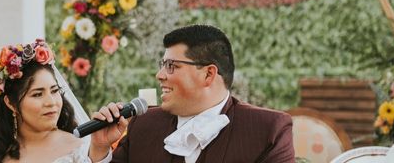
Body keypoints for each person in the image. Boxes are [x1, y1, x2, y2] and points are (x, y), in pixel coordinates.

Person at [88, 25, 294, 163]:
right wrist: (99, 149)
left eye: (171, 66)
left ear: (208, 74)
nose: (159, 75)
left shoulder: (268, 130)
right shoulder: (143, 125)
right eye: (162, 65)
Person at [0, 38, 112, 163]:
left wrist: (99, 149)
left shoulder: (80, 149)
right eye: (38, 94)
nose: (51, 102)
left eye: (54, 91)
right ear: (11, 103)